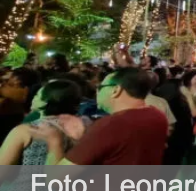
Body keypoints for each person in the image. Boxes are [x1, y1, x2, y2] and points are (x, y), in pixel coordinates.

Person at [29, 68, 168, 165]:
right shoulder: (157, 115)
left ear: (115, 90)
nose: (97, 91)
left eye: (101, 87)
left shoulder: (111, 124)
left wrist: (54, 139)